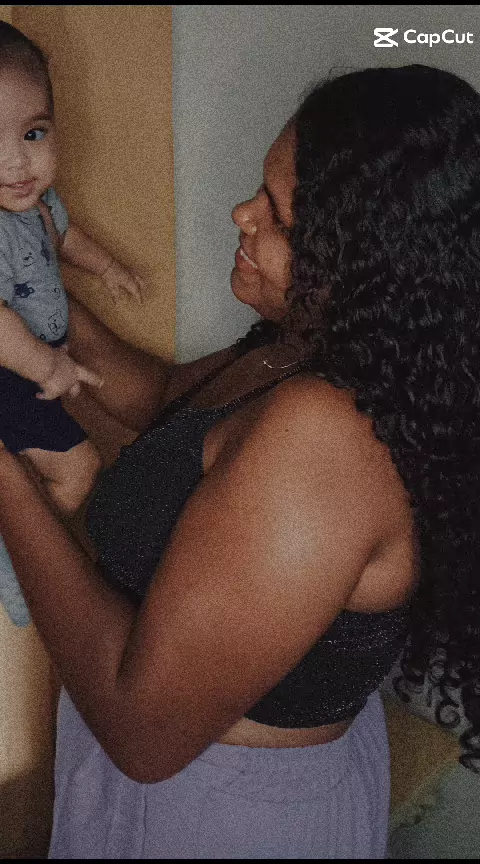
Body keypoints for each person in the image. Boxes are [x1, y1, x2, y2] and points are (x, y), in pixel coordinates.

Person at [0, 61, 478, 859]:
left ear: (365, 260)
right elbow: (173, 406)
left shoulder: (326, 439)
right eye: (261, 190)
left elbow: (143, 731)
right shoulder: (314, 348)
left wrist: (7, 477)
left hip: (219, 814)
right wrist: (32, 292)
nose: (241, 215)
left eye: (278, 218)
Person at [0, 22, 145, 627]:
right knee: (78, 467)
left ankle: (24, 554)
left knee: (60, 472)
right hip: (12, 374)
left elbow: (67, 238)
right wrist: (48, 366)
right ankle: (18, 574)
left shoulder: (40, 205)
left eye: (34, 133)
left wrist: (107, 267)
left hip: (33, 370)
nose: (17, 161)